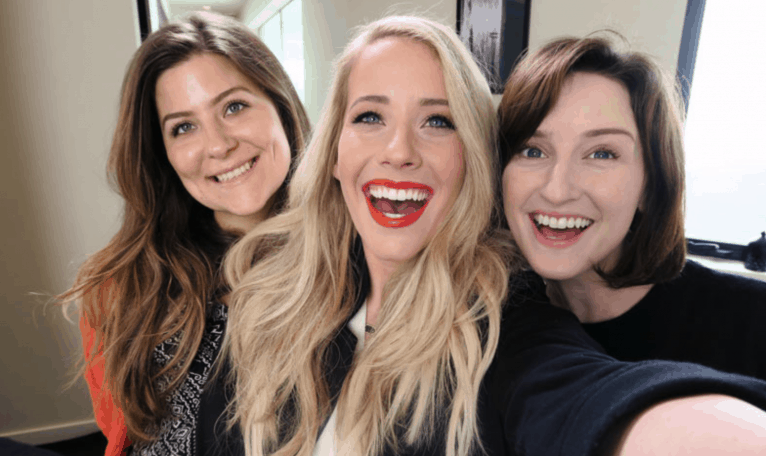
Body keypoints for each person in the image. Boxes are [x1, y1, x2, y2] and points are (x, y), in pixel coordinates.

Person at [209, 16, 766, 456]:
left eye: (438, 120)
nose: (557, 188)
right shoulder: (278, 303)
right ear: (333, 151)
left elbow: (571, 390)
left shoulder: (502, 328)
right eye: (533, 150)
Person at [57, 12, 310, 456]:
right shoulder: (123, 290)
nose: (217, 145)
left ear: (281, 106)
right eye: (184, 127)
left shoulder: (361, 255)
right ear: (165, 153)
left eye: (234, 106)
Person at [498, 35, 766, 382]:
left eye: (602, 153)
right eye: (533, 151)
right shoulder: (490, 319)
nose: (557, 191)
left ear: (651, 184)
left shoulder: (752, 323)